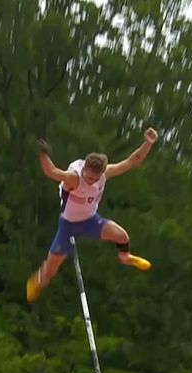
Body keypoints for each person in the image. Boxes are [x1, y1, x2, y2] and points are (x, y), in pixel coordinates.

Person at [26, 127, 158, 302]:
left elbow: (132, 161)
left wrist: (148, 143)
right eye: (89, 179)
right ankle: (35, 281)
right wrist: (43, 155)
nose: (92, 183)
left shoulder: (104, 174)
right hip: (68, 226)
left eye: (96, 179)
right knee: (50, 271)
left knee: (122, 236)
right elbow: (52, 172)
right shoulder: (74, 178)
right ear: (84, 170)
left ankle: (125, 257)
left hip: (91, 221)